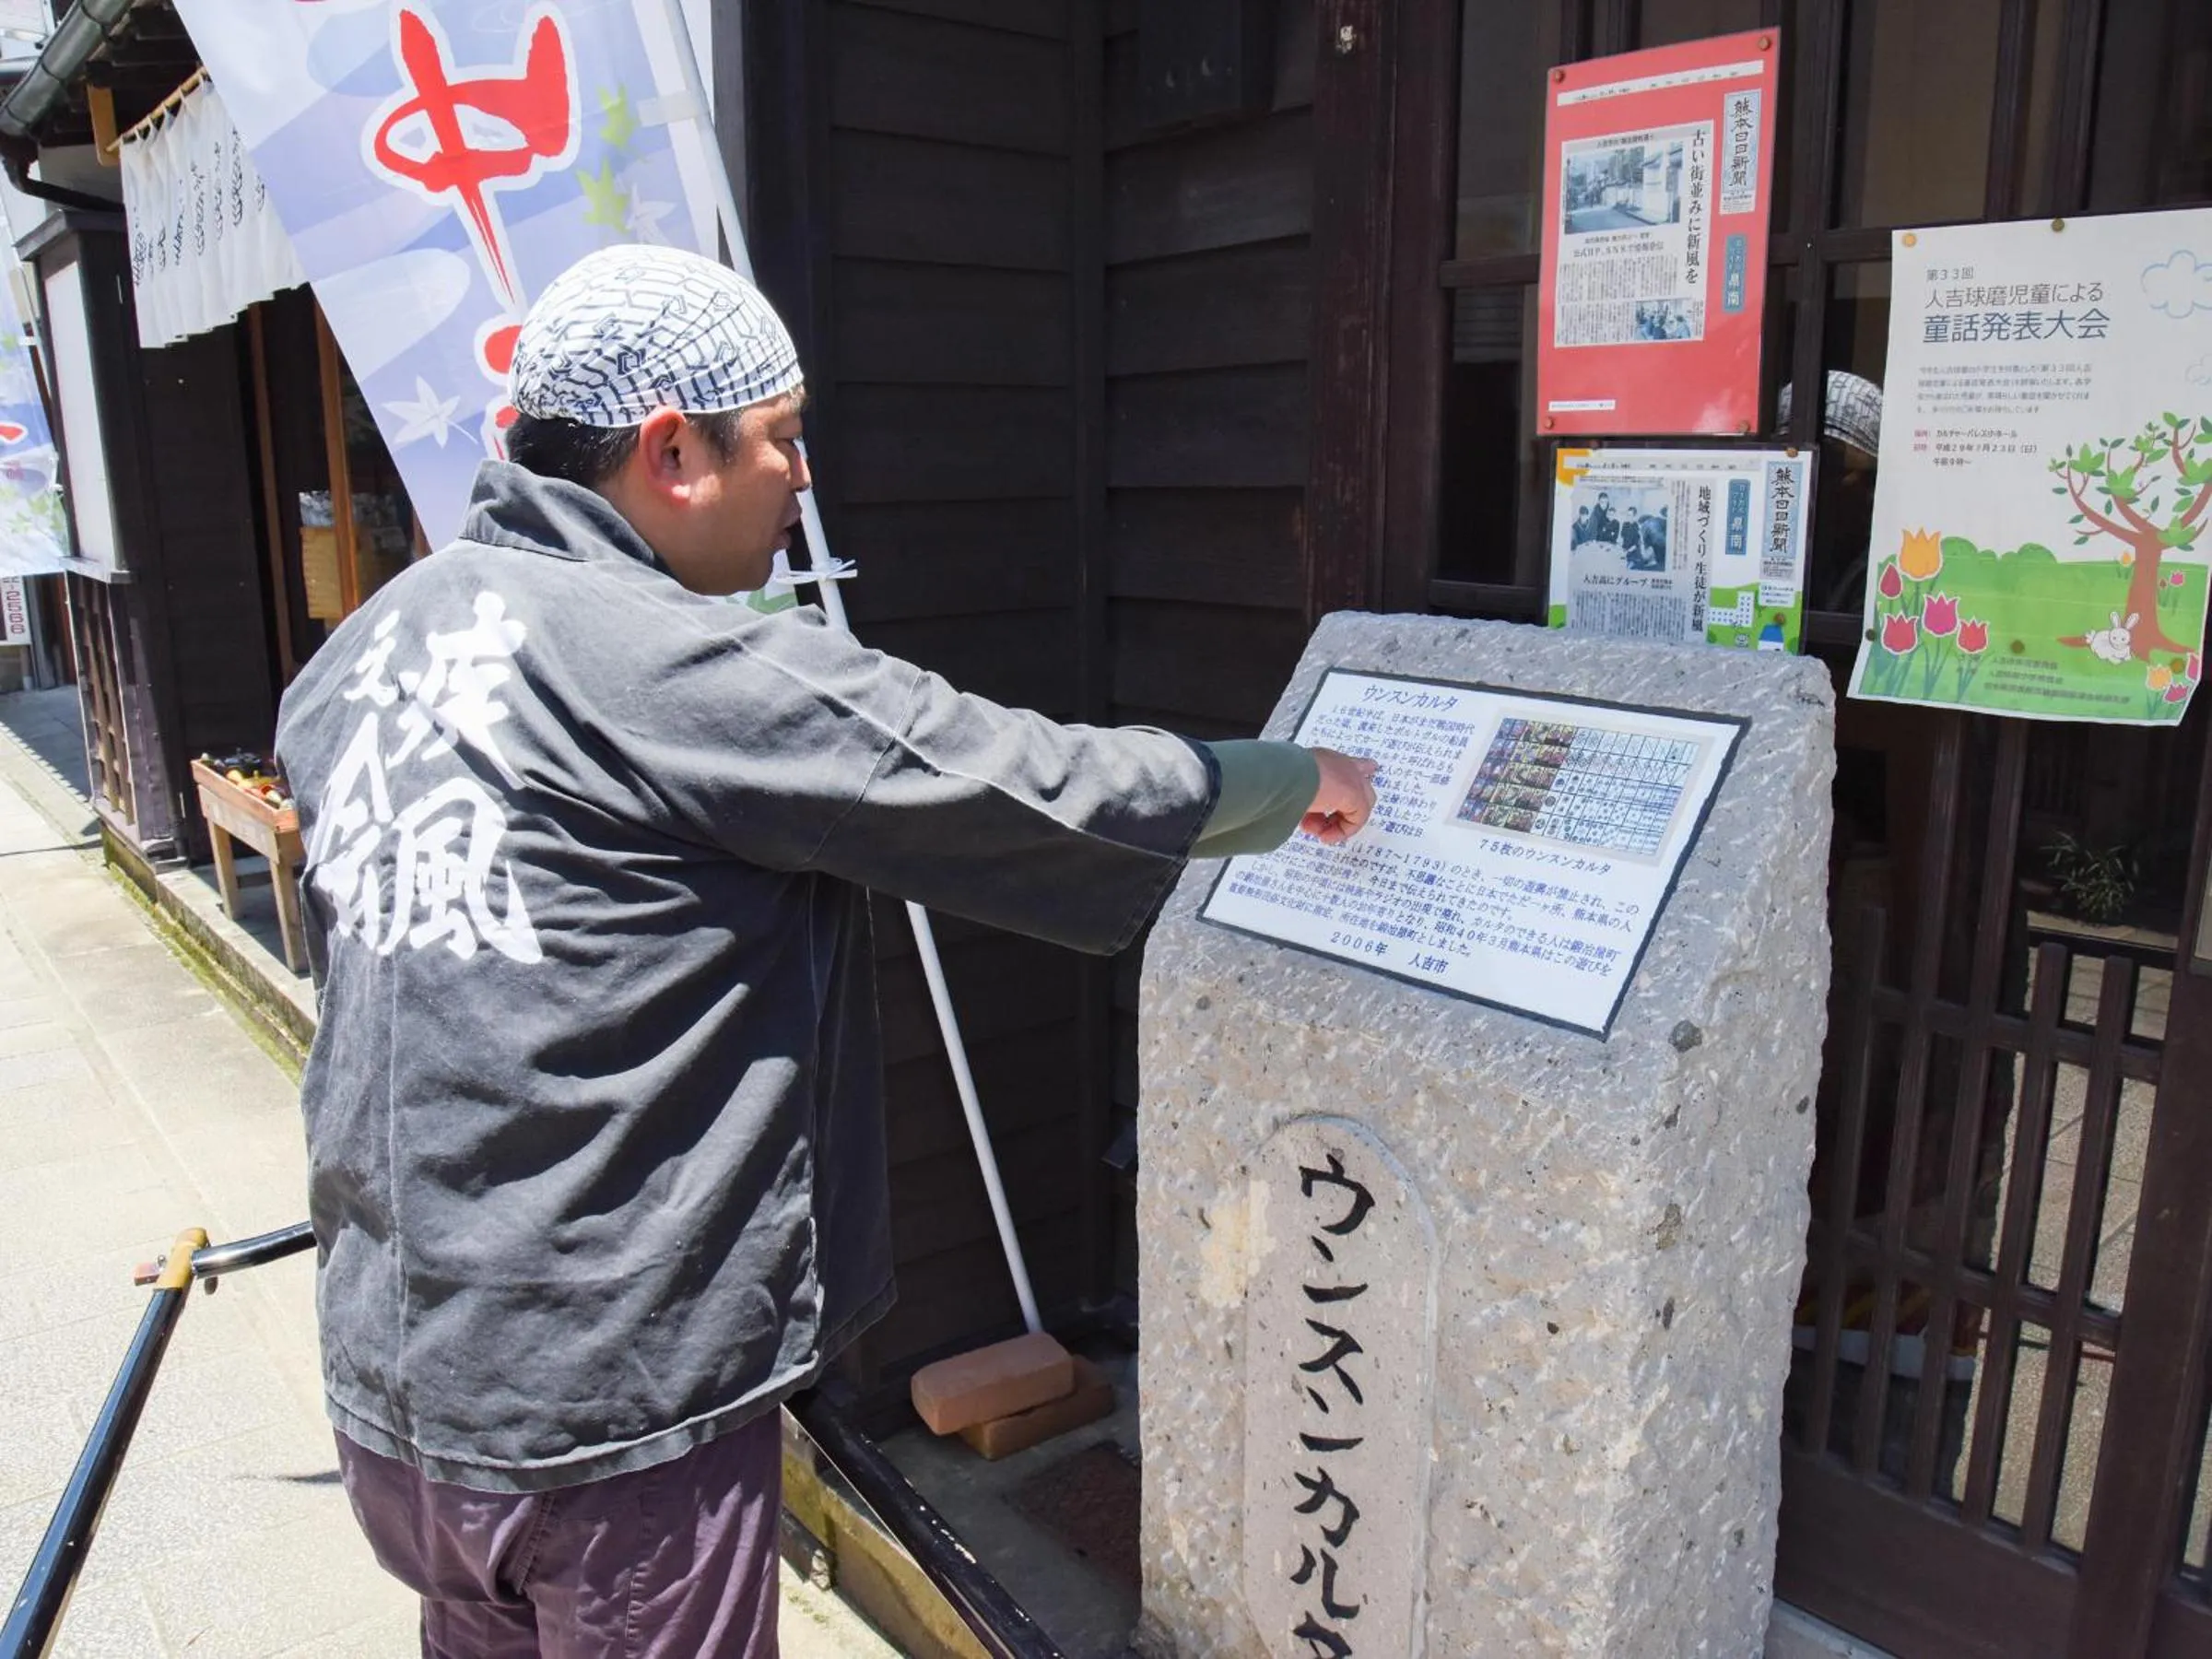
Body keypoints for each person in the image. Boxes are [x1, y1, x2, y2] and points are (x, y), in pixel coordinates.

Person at [272, 242, 1377, 1659]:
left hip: (397, 1381)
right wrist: (1291, 782)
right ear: (674, 451)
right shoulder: (666, 662)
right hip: (607, 1413)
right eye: (784, 439)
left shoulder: (368, 647)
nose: (802, 478)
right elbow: (1018, 782)